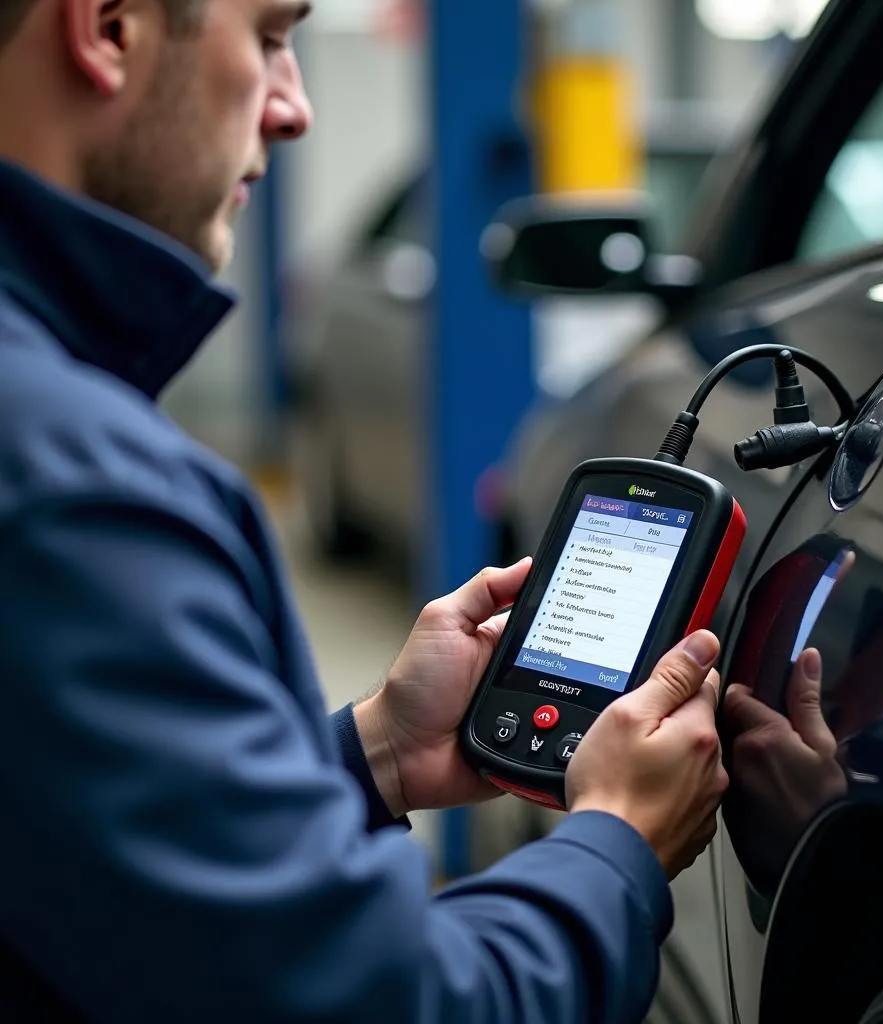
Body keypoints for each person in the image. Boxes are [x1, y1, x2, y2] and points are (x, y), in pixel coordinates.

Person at [0, 0, 729, 1018]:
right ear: (110, 27)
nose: (293, 107)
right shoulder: (76, 488)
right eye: (265, 38)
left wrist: (376, 752)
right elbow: (383, 1001)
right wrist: (617, 844)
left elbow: (91, 862)